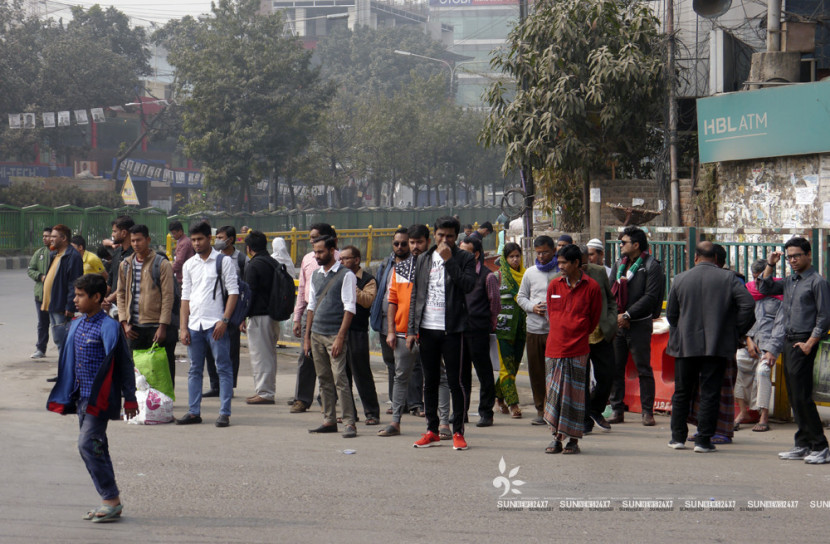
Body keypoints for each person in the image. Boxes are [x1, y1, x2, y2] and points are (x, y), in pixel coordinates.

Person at [46, 273, 138, 523]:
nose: (75, 299)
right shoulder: (77, 323)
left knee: (87, 445)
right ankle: (111, 502)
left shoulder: (109, 327)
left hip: (100, 399)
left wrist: (130, 397)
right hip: (82, 399)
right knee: (96, 447)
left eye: (80, 295)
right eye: (75, 294)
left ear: (97, 297)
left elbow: (125, 364)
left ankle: (110, 499)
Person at [666, 241, 755, 453]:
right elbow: (748, 305)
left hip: (685, 345)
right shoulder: (729, 279)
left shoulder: (680, 279)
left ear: (696, 257)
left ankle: (677, 438)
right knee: (710, 392)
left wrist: (683, 329)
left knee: (681, 392)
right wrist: (735, 331)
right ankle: (703, 441)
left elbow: (671, 315)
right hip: (716, 346)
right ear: (716, 259)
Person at [407, 216, 477, 450]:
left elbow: (468, 285)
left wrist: (449, 261)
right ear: (433, 235)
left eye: (449, 236)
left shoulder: (465, 258)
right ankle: (431, 430)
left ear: (456, 237)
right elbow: (415, 295)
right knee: (430, 381)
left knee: (456, 382)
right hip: (427, 329)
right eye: (440, 235)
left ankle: (457, 431)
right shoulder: (423, 259)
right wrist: (411, 330)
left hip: (453, 328)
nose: (444, 240)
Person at [761, 237, 830, 464]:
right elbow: (765, 287)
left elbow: (824, 316)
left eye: (797, 256)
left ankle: (820, 446)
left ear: (808, 255)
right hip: (789, 342)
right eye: (789, 257)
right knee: (794, 396)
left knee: (802, 395)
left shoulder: (816, 282)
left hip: (804, 342)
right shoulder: (791, 281)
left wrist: (810, 342)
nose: (792, 260)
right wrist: (770, 264)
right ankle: (803, 443)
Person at [177, 221, 239, 428]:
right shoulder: (189, 265)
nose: (196, 243)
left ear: (209, 239)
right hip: (195, 325)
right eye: (193, 240)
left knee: (223, 368)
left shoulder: (223, 261)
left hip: (216, 324)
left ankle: (224, 413)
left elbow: (233, 293)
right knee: (194, 369)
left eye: (200, 239)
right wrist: (183, 327)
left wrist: (224, 320)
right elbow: (185, 297)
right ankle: (194, 412)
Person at [543, 244, 602, 455]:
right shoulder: (553, 286)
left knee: (575, 397)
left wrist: (577, 333)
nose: (560, 266)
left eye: (564, 263)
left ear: (576, 263)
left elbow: (594, 319)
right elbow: (551, 314)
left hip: (578, 349)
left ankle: (573, 440)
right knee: (555, 396)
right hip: (554, 348)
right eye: (558, 262)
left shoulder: (592, 287)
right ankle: (556, 438)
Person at [377, 224, 432, 438]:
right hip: (401, 332)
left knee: (438, 377)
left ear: (427, 241)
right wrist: (390, 330)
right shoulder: (399, 269)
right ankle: (396, 422)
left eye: (419, 242)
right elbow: (392, 301)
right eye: (412, 242)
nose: (414, 246)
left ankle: (442, 424)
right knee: (401, 376)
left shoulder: (435, 267)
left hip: (430, 331)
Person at [608, 226, 665, 426]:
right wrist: (617, 316)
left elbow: (650, 296)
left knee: (643, 368)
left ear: (636, 245)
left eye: (624, 242)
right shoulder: (618, 265)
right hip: (618, 324)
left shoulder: (651, 265)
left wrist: (629, 315)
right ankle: (617, 409)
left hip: (639, 324)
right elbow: (610, 293)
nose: (620, 245)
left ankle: (647, 411)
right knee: (616, 367)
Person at [304, 236, 358, 438]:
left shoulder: (346, 275)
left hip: (334, 335)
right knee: (324, 379)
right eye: (315, 252)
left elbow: (349, 308)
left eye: (320, 252)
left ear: (332, 251)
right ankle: (329, 420)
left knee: (340, 379)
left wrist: (340, 338)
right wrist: (307, 337)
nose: (317, 256)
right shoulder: (316, 275)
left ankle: (349, 423)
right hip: (317, 334)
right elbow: (311, 306)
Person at [115, 224, 178, 385]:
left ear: (148, 240)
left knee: (162, 369)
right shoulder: (126, 265)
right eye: (133, 240)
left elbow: (168, 297)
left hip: (156, 328)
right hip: (134, 327)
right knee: (137, 371)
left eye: (139, 240)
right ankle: (140, 404)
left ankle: (163, 403)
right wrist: (124, 323)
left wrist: (163, 326)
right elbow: (121, 294)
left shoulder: (161, 264)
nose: (136, 244)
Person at [290, 223, 339, 413]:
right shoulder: (308, 260)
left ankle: (327, 399)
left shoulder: (341, 259)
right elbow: (302, 289)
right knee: (306, 355)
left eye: (315, 237)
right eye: (310, 238)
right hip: (311, 313)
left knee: (332, 359)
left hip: (333, 314)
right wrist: (297, 317)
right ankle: (302, 398)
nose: (311, 241)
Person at [516, 235, 560, 425]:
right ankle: (540, 410)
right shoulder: (530, 273)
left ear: (554, 252)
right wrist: (533, 307)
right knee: (536, 371)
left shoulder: (561, 272)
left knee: (555, 373)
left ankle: (555, 409)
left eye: (545, 252)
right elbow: (521, 297)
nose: (541, 256)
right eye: (538, 253)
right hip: (534, 329)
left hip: (555, 331)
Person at [575, 244, 618, 433]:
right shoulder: (561, 278)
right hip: (579, 337)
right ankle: (585, 420)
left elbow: (611, 300)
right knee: (582, 380)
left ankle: (595, 409)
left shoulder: (599, 273)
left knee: (607, 376)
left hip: (600, 333)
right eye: (581, 265)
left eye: (586, 263)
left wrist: (611, 322)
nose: (584, 268)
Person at [735, 259, 781, 432]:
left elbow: (780, 325)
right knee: (738, 364)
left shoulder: (779, 294)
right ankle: (743, 412)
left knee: (763, 372)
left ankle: (763, 416)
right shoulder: (747, 291)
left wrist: (770, 350)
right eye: (755, 278)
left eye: (760, 278)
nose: (757, 283)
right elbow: (742, 319)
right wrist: (747, 340)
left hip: (770, 344)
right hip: (749, 341)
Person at [458, 236, 500, 428]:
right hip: (459, 330)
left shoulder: (488, 276)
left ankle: (486, 412)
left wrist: (488, 324)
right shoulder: (456, 274)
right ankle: (461, 412)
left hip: (479, 330)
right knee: (460, 373)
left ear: (475, 254)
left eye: (466, 252)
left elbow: (495, 305)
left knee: (484, 373)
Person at [370, 227, 410, 412]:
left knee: (409, 365)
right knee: (391, 363)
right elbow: (380, 290)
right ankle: (396, 402)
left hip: (405, 322)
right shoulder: (386, 264)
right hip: (386, 320)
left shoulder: (414, 265)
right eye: (396, 243)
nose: (400, 247)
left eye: (404, 243)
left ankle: (413, 402)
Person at [340, 245, 381, 425]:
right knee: (342, 375)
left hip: (357, 332)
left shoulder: (368, 279)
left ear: (356, 260)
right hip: (339, 331)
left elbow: (366, 301)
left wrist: (350, 285)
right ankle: (349, 413)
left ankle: (372, 413)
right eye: (340, 259)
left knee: (361, 373)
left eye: (346, 259)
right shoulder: (337, 277)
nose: (342, 262)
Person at [204, 225, 244, 396]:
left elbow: (246, 290)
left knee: (231, 351)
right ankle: (215, 385)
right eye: (217, 237)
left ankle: (229, 386)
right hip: (213, 310)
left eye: (221, 237)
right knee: (209, 349)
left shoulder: (241, 260)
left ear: (231, 240)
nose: (218, 241)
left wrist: (242, 317)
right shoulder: (212, 258)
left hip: (233, 312)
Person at [242, 230, 280, 405]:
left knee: (260, 355)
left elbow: (249, 294)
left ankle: (264, 392)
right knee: (269, 353)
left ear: (249, 248)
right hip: (273, 314)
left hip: (259, 315)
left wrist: (242, 316)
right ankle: (266, 389)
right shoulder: (273, 262)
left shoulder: (254, 265)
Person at [41, 225, 84, 364]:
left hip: (61, 306)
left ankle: (67, 374)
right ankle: (63, 372)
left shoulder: (73, 256)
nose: (50, 239)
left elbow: (74, 283)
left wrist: (70, 306)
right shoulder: (55, 254)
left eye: (54, 237)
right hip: (53, 304)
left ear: (64, 238)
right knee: (59, 340)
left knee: (64, 341)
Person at [494, 242, 526, 419]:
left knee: (513, 366)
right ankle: (513, 404)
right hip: (504, 329)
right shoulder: (497, 277)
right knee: (506, 366)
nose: (515, 259)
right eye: (511, 257)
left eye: (517, 256)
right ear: (505, 260)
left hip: (522, 328)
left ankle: (498, 396)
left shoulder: (527, 275)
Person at [28, 227, 53, 359]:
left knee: (59, 324)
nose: (45, 238)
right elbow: (30, 269)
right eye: (43, 236)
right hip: (41, 296)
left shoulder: (60, 253)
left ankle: (65, 350)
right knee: (42, 323)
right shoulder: (39, 253)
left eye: (47, 236)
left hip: (56, 296)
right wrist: (40, 276)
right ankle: (40, 349)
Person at [103, 216, 135, 315]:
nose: (112, 235)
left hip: (128, 307)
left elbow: (127, 284)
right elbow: (110, 280)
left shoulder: (135, 256)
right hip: (113, 305)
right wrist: (102, 299)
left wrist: (109, 299)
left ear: (124, 233)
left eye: (115, 231)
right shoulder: (117, 252)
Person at [169, 221, 195, 285]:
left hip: (183, 277)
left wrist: (169, 271)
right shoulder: (182, 241)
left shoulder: (184, 243)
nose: (173, 235)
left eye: (174, 233)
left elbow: (179, 261)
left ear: (180, 231)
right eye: (172, 233)